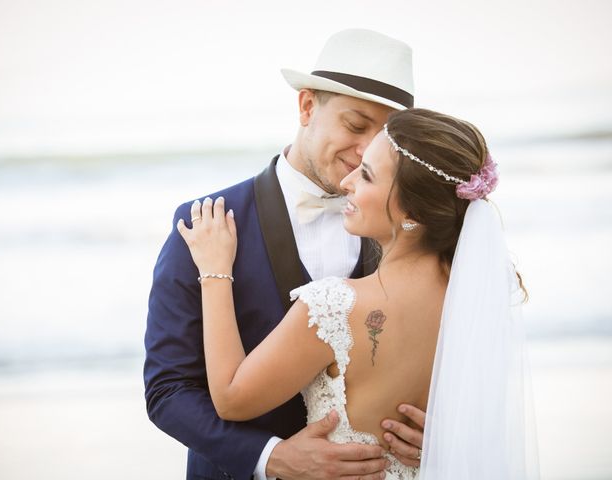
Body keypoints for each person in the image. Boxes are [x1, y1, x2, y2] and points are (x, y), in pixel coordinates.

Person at [178, 108, 539, 479]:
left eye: (366, 175)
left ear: (411, 211)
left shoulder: (333, 307)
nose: (347, 182)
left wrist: (214, 271)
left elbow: (231, 399)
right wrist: (442, 440)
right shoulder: (477, 298)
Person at [144, 29, 427, 480]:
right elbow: (168, 391)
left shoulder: (407, 229)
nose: (364, 151)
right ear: (307, 107)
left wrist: (429, 429)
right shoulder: (207, 224)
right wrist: (270, 457)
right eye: (355, 126)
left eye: (383, 136)